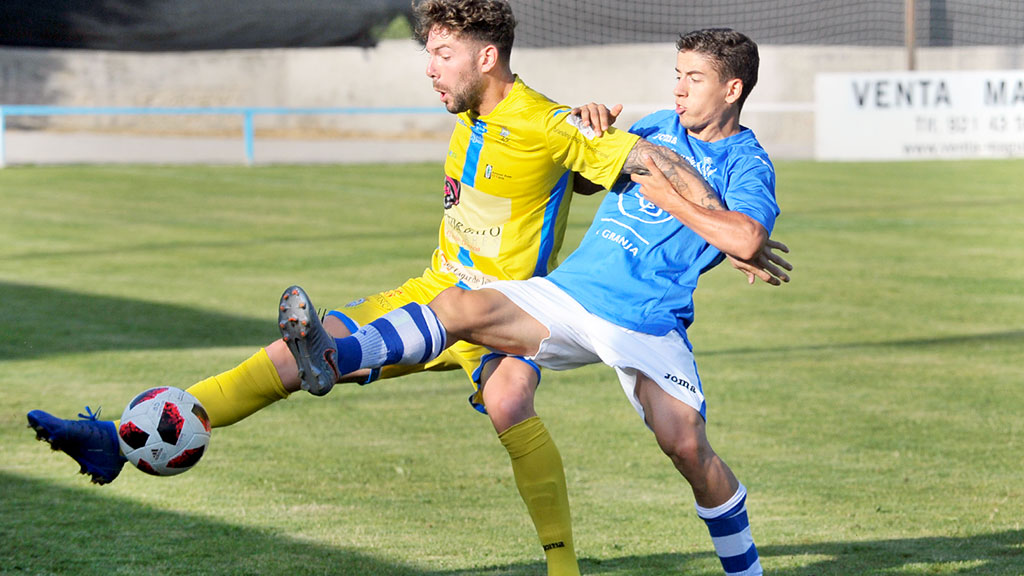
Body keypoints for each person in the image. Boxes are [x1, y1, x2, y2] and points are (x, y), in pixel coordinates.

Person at [27, 1, 786, 572]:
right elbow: (614, 167)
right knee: (297, 361)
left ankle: (572, 561)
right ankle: (119, 444)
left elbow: (643, 166)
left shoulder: (549, 123)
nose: (429, 67)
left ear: (487, 57)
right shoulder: (489, 116)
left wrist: (721, 228)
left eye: (443, 54)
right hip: (455, 295)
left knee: (550, 409)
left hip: (528, 304)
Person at [278, 27, 776, 576]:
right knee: (463, 306)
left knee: (685, 447)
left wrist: (681, 206)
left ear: (732, 89)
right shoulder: (657, 126)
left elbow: (748, 237)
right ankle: (333, 357)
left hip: (648, 321)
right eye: (677, 75)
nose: (679, 90)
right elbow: (594, 179)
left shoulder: (747, 162)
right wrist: (592, 135)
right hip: (571, 294)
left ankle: (746, 570)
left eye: (694, 79)